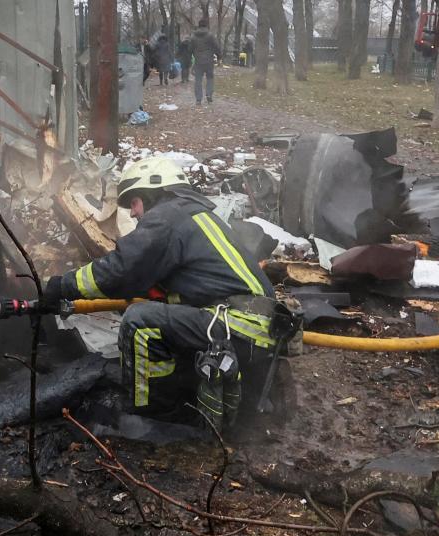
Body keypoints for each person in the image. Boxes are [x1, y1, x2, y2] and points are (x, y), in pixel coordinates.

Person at [42, 157, 279, 432]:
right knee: (152, 314)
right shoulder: (193, 215)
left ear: (154, 193)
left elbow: (123, 268)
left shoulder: (167, 215)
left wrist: (63, 286)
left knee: (140, 322)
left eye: (133, 203)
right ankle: (182, 396)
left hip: (239, 325)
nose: (132, 214)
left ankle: (152, 413)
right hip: (250, 326)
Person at [188, 19, 221, 104]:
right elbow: (216, 46)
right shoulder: (210, 35)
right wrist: (219, 56)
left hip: (198, 61)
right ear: (206, 26)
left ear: (199, 26)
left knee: (198, 80)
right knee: (210, 78)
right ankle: (209, 94)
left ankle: (198, 99)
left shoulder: (193, 36)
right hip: (209, 61)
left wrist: (191, 58)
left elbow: (190, 49)